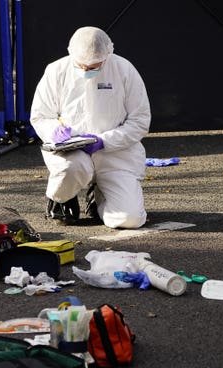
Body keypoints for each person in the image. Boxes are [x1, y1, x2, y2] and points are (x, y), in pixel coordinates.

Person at [30, 26, 151, 229]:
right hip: (72, 153)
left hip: (116, 155)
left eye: (95, 66)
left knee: (129, 220)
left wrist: (105, 141)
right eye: (82, 66)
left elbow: (140, 121)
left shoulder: (124, 70)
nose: (88, 71)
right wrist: (55, 132)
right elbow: (41, 116)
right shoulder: (56, 70)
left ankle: (99, 199)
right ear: (71, 53)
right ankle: (61, 199)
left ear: (108, 54)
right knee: (71, 168)